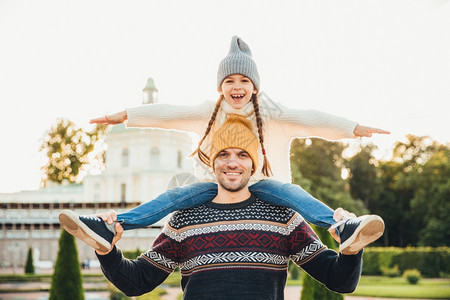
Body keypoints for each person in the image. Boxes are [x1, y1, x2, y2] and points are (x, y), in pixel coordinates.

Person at [59, 36, 389, 255]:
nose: (237, 86)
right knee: (172, 197)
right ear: (220, 86)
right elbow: (170, 114)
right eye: (229, 81)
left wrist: (353, 128)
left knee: (296, 195)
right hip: (216, 182)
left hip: (265, 184)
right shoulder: (208, 112)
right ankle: (108, 226)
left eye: (244, 81)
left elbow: (312, 119)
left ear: (255, 86)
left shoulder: (273, 113)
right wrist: (127, 115)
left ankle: (342, 226)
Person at [93, 115, 366, 299]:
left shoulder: (284, 218)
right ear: (212, 163)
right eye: (223, 154)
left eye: (242, 155)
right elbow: (136, 281)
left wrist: (351, 250)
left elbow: (339, 280)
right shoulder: (184, 221)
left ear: (253, 164)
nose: (232, 162)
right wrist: (107, 251)